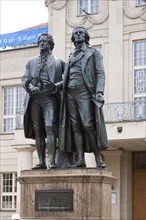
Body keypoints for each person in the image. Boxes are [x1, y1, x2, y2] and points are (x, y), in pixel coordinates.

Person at [59, 26, 108, 169]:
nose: (78, 35)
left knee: (88, 124)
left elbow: (100, 73)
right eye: (76, 33)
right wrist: (56, 86)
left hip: (85, 92)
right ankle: (80, 159)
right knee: (75, 126)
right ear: (73, 38)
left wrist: (99, 91)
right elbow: (67, 78)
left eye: (81, 33)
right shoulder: (71, 56)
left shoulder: (93, 53)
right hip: (69, 94)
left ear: (86, 37)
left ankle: (98, 157)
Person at [21, 33, 64, 169]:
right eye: (40, 41)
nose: (42, 43)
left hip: (50, 98)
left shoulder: (59, 62)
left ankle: (51, 160)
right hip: (34, 99)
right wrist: (30, 87)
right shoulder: (30, 62)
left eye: (45, 41)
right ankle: (41, 161)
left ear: (50, 44)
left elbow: (69, 78)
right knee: (38, 130)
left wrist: (56, 86)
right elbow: (24, 79)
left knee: (50, 127)